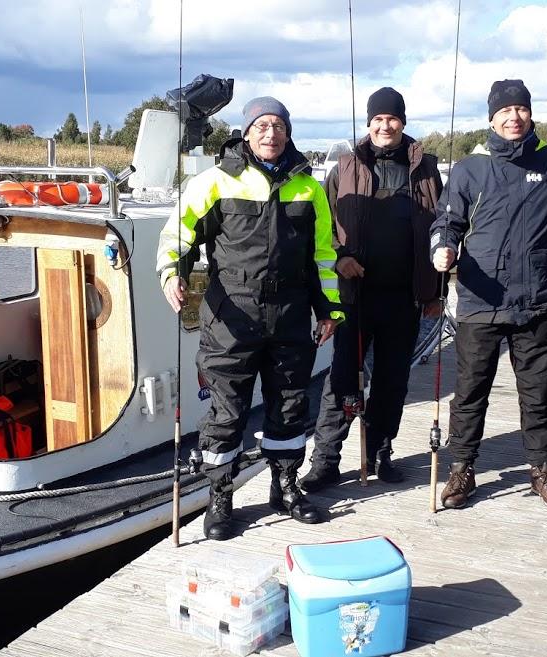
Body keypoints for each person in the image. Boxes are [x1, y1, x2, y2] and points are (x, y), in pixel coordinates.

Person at [157, 96, 343, 541]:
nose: (270, 133)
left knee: (290, 405)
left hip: (291, 316)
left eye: (278, 125)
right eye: (261, 125)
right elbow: (178, 236)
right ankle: (220, 498)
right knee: (226, 412)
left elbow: (322, 256)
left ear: (288, 132)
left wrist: (329, 308)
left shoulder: (309, 188)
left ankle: (285, 485)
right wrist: (170, 273)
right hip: (230, 317)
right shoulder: (215, 182)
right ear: (246, 132)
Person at [430, 79, 547, 511]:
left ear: (531, 114)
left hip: (540, 301)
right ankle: (461, 468)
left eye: (521, 110)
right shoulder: (468, 169)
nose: (514, 117)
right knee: (470, 391)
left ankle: (543, 468)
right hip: (480, 301)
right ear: (491, 118)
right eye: (505, 111)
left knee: (537, 392)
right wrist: (442, 246)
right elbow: (447, 221)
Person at [298, 87, 444, 492]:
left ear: (403, 122)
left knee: (392, 381)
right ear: (369, 123)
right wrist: (341, 257)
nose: (385, 125)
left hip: (405, 297)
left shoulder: (426, 170)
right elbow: (320, 229)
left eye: (392, 118)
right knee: (342, 380)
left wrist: (434, 292)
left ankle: (379, 452)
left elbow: (442, 230)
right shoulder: (344, 166)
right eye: (378, 119)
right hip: (356, 296)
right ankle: (326, 460)